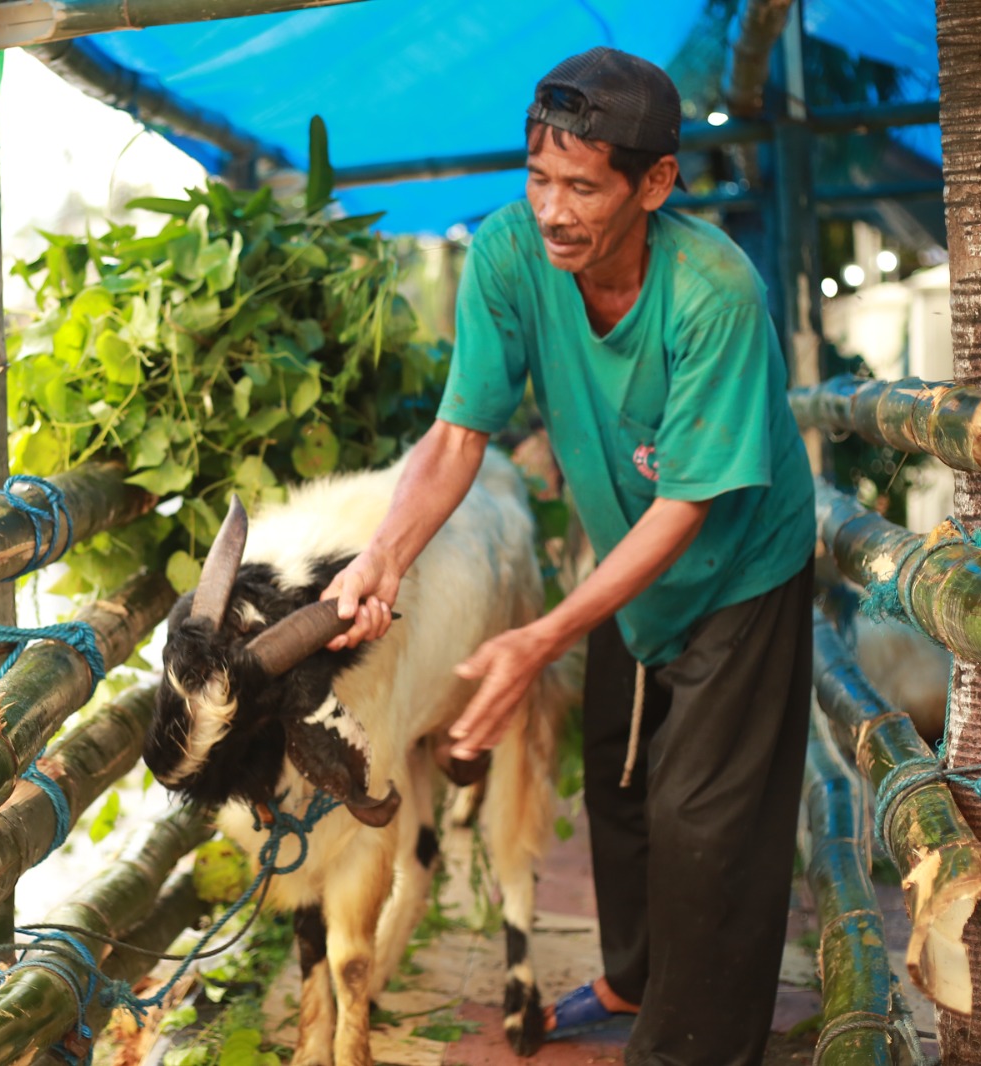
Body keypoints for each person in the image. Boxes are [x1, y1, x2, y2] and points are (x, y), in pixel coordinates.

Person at [321, 47, 816, 1066]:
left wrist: (540, 636)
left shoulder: (714, 291)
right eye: (538, 178)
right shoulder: (508, 256)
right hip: (628, 566)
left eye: (582, 186)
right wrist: (383, 556)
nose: (551, 209)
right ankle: (632, 978)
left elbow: (686, 506)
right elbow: (460, 434)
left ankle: (692, 1044)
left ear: (656, 183)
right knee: (621, 785)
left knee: (704, 822)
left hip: (738, 572)